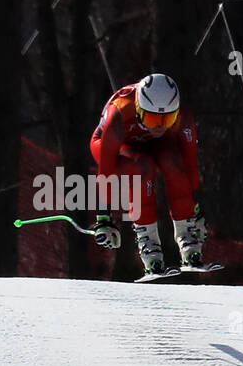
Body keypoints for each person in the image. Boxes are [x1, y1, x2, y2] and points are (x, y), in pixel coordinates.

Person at [89, 73, 208, 275]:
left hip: (153, 145)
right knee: (142, 168)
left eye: (168, 118)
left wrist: (194, 209)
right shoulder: (119, 113)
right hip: (117, 144)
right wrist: (103, 219)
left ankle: (189, 243)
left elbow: (190, 166)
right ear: (138, 109)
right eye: (152, 118)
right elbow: (106, 172)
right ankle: (149, 247)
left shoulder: (183, 119)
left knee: (173, 163)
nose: (160, 126)